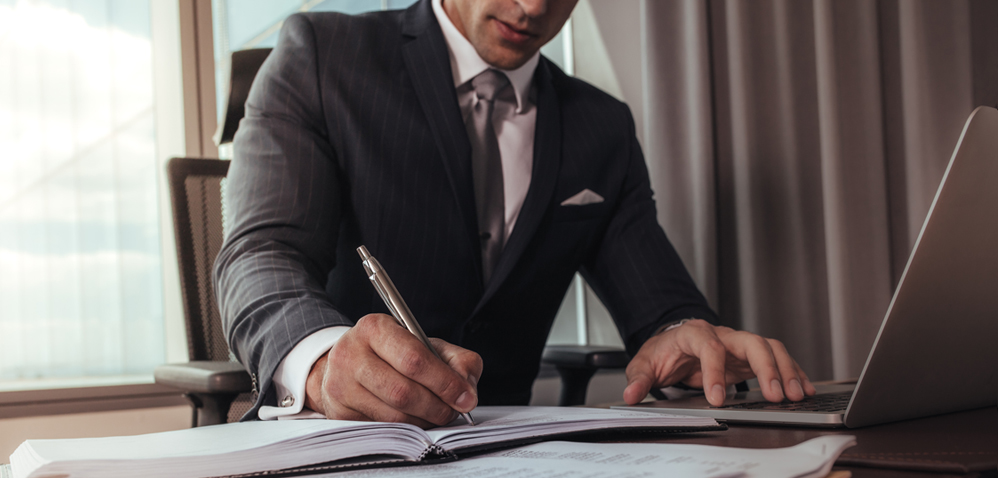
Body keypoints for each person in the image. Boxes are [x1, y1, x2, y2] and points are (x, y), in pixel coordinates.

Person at [214, 0, 816, 427]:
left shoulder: (600, 127)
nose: (533, 7)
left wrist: (682, 335)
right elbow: (260, 255)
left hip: (508, 451)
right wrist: (321, 363)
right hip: (338, 442)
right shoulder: (322, 55)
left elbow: (660, 307)